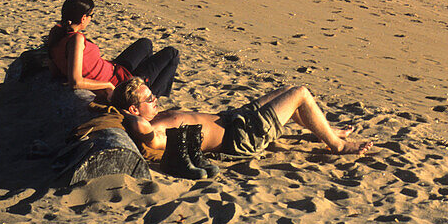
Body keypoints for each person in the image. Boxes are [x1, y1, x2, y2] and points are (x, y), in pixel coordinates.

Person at [112, 76, 372, 160]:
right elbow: (147, 136)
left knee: (286, 92)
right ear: (134, 111)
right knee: (300, 94)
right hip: (242, 137)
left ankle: (327, 129)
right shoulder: (156, 131)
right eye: (148, 100)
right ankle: (337, 145)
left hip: (235, 119)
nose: (155, 99)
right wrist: (129, 117)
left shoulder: (160, 116)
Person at [46, 0, 179, 101]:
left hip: (115, 68)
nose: (91, 19)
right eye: (91, 16)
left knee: (146, 44)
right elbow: (75, 82)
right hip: (120, 83)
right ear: (83, 18)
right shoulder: (76, 39)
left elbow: (55, 70)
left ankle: (145, 87)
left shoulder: (57, 32)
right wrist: (107, 85)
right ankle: (149, 97)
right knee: (172, 54)